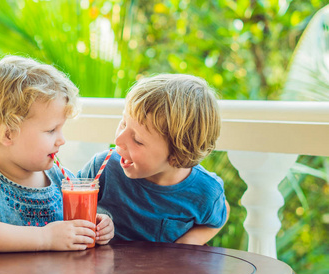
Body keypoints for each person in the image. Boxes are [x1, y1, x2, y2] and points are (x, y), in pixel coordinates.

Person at [0, 55, 114, 253]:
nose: (61, 140)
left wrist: (98, 224)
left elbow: (71, 227)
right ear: (7, 134)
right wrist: (45, 237)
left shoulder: (61, 178)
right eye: (51, 130)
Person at [78, 74, 229, 245]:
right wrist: (97, 219)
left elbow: (220, 215)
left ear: (176, 155)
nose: (118, 140)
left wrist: (188, 243)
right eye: (123, 123)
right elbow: (68, 206)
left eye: (137, 140)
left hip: (162, 271)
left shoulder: (205, 192)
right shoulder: (102, 168)